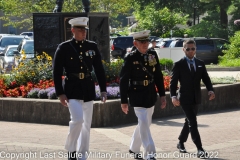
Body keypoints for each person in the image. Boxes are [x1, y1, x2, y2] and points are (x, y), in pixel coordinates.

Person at [53, 17, 107, 160]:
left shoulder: (92, 46)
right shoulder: (64, 48)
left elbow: (99, 70)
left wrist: (103, 90)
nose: (84, 32)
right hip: (72, 89)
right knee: (77, 120)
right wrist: (60, 93)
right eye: (80, 29)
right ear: (73, 30)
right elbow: (56, 72)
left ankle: (82, 154)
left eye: (85, 30)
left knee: (86, 125)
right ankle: (71, 149)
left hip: (88, 88)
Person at [120, 30, 167, 160]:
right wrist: (123, 101)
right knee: (144, 123)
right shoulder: (130, 58)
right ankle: (150, 153)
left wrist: (162, 95)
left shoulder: (152, 54)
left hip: (150, 93)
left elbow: (158, 75)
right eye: (142, 42)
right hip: (136, 94)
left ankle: (134, 148)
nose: (145, 44)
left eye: (146, 41)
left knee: (146, 123)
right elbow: (124, 80)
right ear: (135, 43)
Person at [169, 39, 215, 158]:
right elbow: (173, 83)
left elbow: (206, 78)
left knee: (189, 121)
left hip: (196, 97)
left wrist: (210, 90)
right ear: (183, 49)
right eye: (188, 49)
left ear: (195, 49)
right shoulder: (178, 64)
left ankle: (180, 142)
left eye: (192, 48)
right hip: (184, 98)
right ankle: (200, 149)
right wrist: (173, 96)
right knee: (193, 122)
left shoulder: (200, 63)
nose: (190, 51)